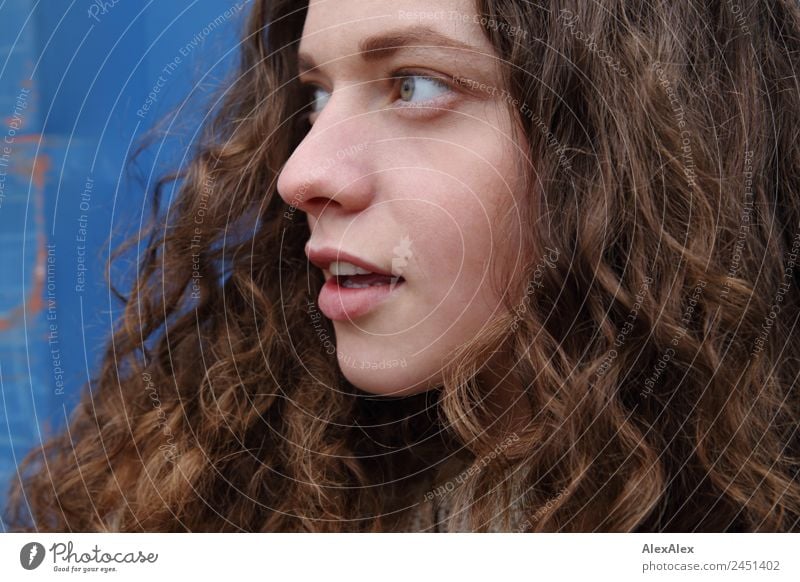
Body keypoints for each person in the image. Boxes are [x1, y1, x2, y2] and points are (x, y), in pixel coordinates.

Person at [7, 0, 800, 532]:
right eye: (314, 96)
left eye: (414, 85)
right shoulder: (245, 492)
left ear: (641, 149)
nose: (300, 173)